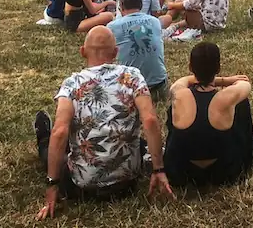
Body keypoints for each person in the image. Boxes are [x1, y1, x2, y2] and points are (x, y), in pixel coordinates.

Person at [33, 27, 172, 219]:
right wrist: (158, 169)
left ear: (82, 51)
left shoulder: (72, 83)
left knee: (52, 143)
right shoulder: (132, 77)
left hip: (81, 186)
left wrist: (52, 183)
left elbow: (61, 132)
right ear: (115, 53)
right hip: (127, 184)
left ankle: (42, 134)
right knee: (136, 140)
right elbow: (149, 120)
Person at [163, 42, 253, 187]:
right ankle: (247, 156)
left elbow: (185, 80)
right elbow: (245, 84)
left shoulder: (179, 92)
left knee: (174, 106)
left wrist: (214, 80)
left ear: (190, 67)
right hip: (223, 173)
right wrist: (226, 81)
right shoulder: (226, 97)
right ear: (218, 68)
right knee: (241, 103)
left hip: (181, 172)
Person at [107, 0, 168, 100]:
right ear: (141, 5)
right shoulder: (155, 22)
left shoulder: (112, 26)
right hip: (159, 86)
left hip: (130, 89)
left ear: (121, 7)